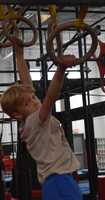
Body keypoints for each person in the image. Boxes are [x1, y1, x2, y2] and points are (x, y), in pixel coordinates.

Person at [0, 42, 82, 200]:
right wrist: (61, 69)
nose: (34, 101)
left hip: (55, 182)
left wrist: (19, 55)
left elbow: (27, 84)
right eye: (28, 102)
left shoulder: (29, 119)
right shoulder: (36, 120)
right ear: (17, 114)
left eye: (33, 97)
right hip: (60, 182)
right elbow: (50, 97)